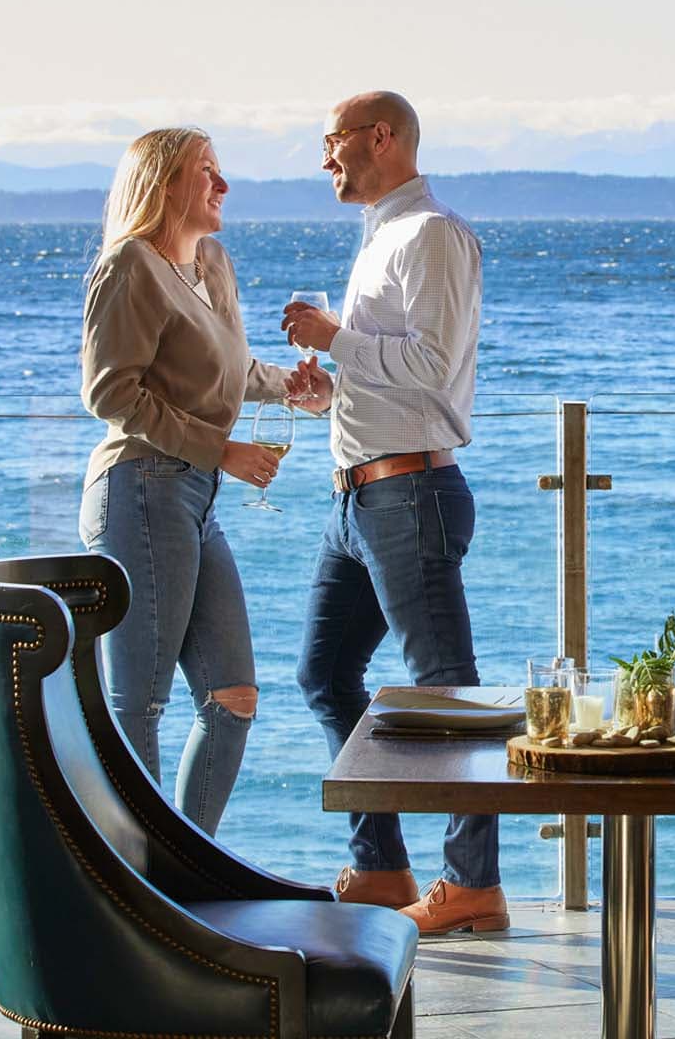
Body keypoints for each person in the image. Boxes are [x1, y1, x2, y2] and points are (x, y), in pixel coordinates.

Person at [281, 90, 501, 934]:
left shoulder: (430, 234)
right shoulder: (379, 235)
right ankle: (381, 869)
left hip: (409, 495)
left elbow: (433, 366)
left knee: (445, 693)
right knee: (325, 676)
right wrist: (328, 395)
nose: (325, 158)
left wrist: (333, 337)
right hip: (360, 496)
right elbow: (395, 377)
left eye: (332, 141)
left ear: (382, 138)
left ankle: (473, 885)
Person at [79, 126, 290, 835]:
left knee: (233, 697)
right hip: (140, 488)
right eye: (207, 171)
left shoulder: (213, 263)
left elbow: (227, 374)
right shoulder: (128, 267)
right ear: (164, 183)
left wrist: (293, 385)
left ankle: (187, 864)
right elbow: (111, 395)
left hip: (194, 496)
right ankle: (137, 881)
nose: (223, 185)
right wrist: (220, 449)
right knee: (138, 702)